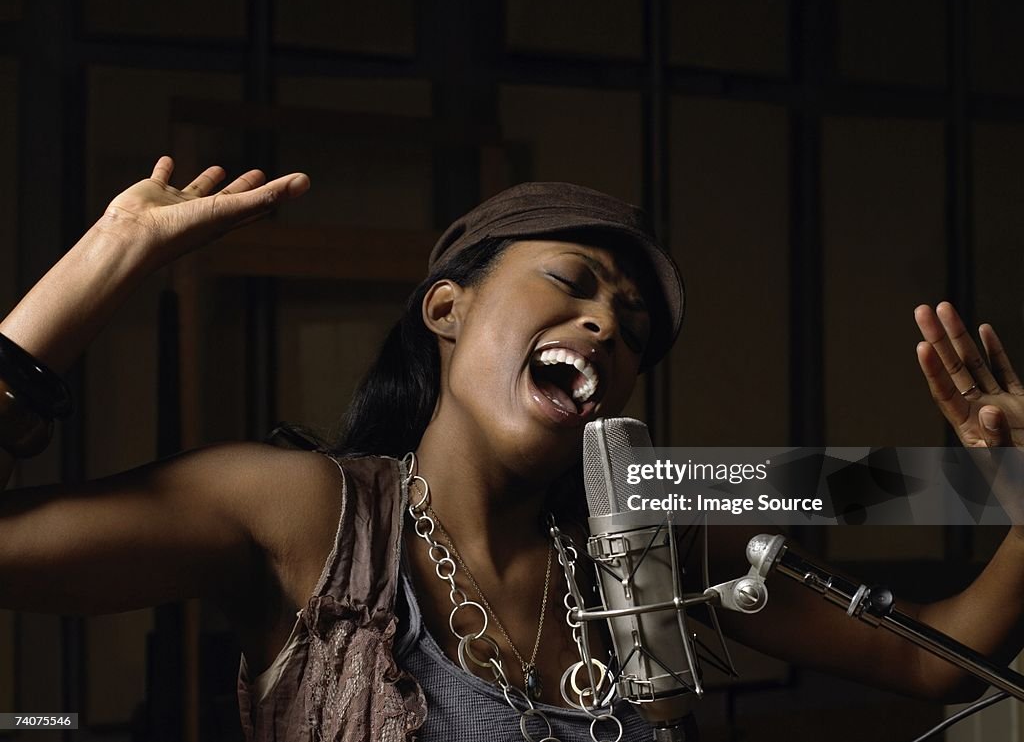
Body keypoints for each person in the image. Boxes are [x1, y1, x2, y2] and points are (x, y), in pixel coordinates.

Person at [2, 157, 1024, 742]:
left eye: (629, 327)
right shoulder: (305, 516)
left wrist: (1017, 486)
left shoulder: (651, 533)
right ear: (448, 307)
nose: (603, 329)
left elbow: (940, 661)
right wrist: (110, 255)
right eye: (569, 284)